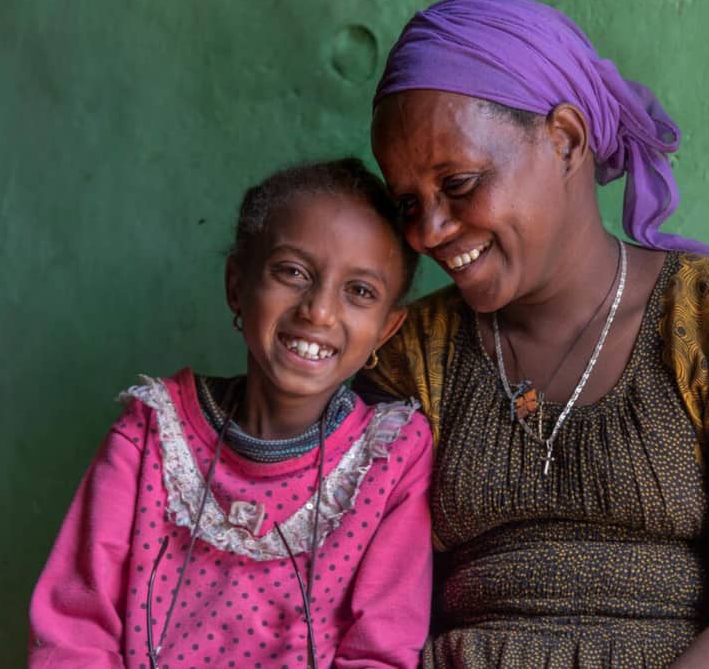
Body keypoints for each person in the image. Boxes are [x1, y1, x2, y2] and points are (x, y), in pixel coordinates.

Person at [357, 0, 709, 667]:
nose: (428, 231)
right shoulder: (410, 358)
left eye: (458, 183)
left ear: (566, 139)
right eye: (408, 203)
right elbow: (353, 599)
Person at [29, 158, 433, 668]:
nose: (319, 311)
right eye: (292, 272)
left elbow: (380, 648)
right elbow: (74, 631)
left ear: (387, 329)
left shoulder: (390, 460)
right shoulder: (151, 431)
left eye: (360, 292)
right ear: (237, 286)